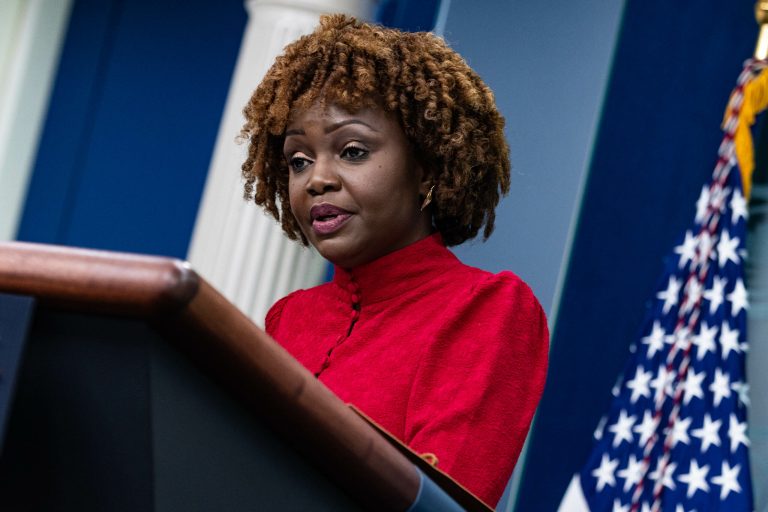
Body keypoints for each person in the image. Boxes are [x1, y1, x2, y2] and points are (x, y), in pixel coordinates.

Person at [240, 14, 549, 506]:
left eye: (353, 150)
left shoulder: (487, 308)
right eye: (299, 160)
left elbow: (437, 500)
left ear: (426, 170)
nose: (316, 178)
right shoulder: (289, 317)